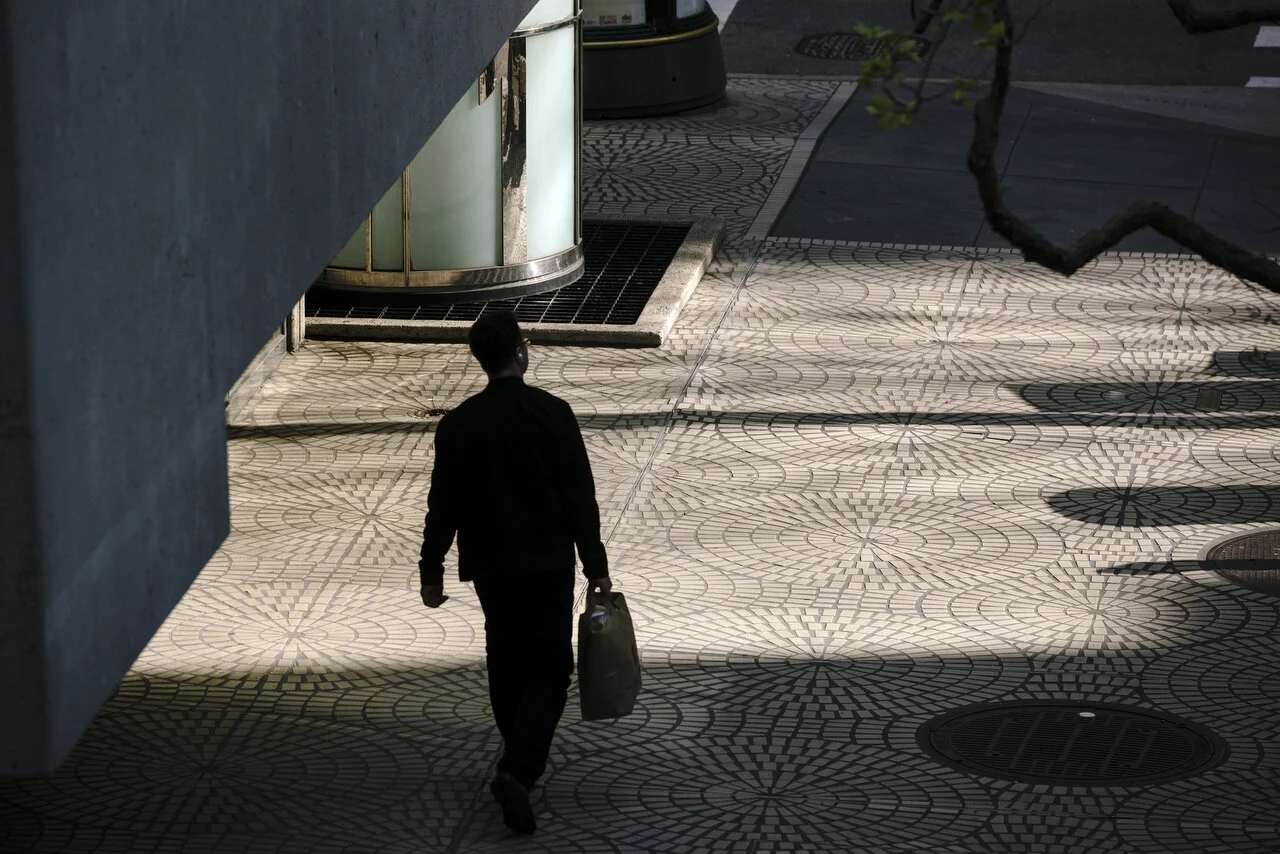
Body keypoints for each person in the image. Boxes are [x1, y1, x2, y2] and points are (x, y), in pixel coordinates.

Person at [418, 309, 612, 835]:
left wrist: (430, 567)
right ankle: (518, 771)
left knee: (505, 657)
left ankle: (516, 757)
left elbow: (444, 504)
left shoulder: (457, 424)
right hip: (547, 562)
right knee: (550, 667)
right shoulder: (553, 413)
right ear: (521, 352)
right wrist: (595, 564)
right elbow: (579, 496)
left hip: (491, 566)